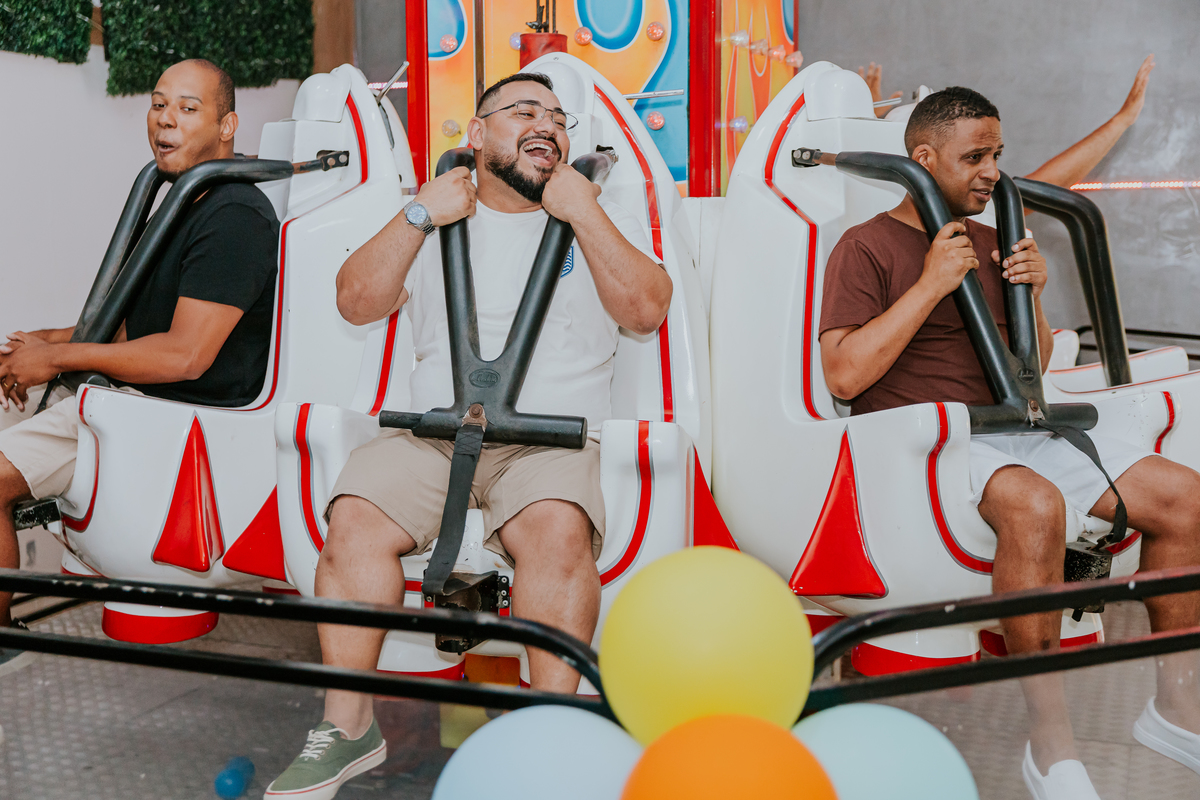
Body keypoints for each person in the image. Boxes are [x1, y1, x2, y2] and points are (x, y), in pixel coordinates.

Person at [266, 72, 671, 799]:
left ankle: (553, 733)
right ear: (477, 135)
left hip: (548, 447)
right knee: (353, 517)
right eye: (524, 111)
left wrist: (583, 212)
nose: (545, 123)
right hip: (431, 437)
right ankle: (348, 729)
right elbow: (355, 301)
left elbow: (646, 310)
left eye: (556, 116)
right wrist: (419, 212)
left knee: (556, 533)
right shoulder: (430, 214)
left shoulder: (592, 217)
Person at [819, 87, 1200, 800]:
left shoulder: (993, 240)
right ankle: (1049, 741)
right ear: (922, 160)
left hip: (1016, 427)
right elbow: (844, 374)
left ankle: (1174, 706)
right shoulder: (865, 246)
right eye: (975, 157)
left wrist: (1035, 298)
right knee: (1036, 505)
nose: (992, 171)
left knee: (1184, 496)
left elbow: (1035, 361)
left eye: (997, 154)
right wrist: (931, 284)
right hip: (927, 445)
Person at [0, 59, 279, 648]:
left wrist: (55, 362)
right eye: (158, 104)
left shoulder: (233, 216)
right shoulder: (185, 200)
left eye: (187, 107)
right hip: (131, 404)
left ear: (227, 125)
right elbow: (140, 328)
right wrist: (44, 343)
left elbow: (184, 355)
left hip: (173, 421)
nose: (165, 120)